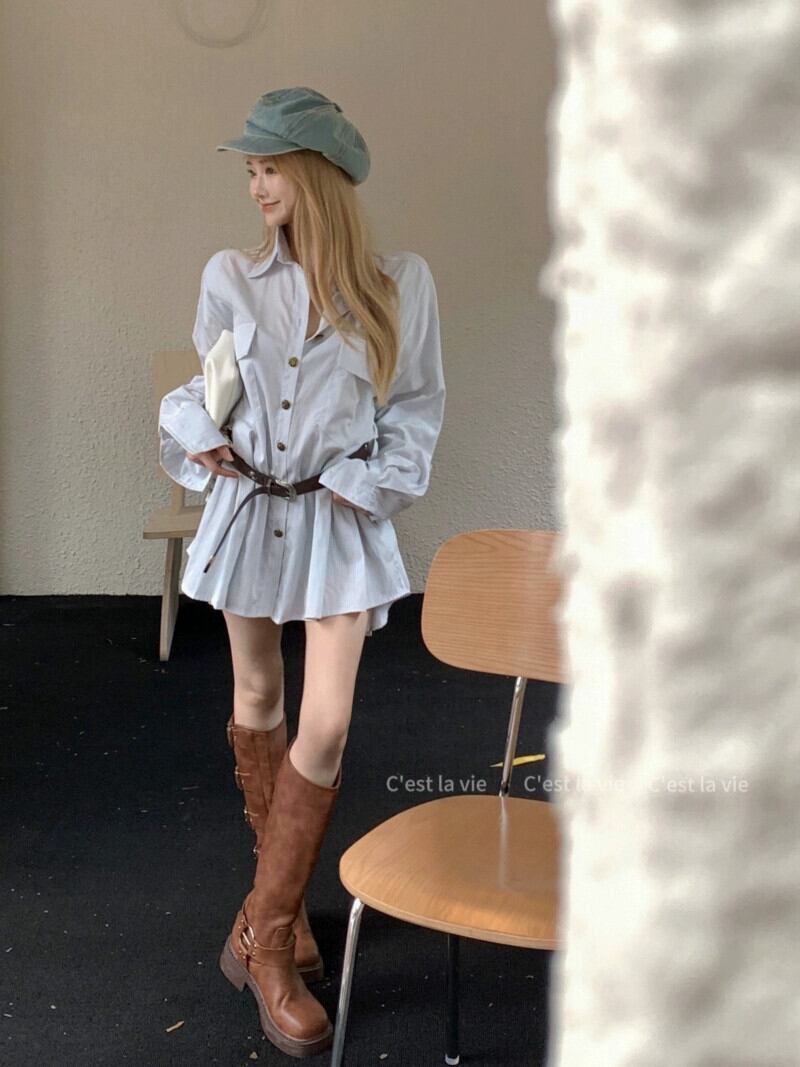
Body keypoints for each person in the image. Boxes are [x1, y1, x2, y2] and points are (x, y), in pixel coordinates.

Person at [157, 87, 446, 1057]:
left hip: (337, 517)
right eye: (249, 169)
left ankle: (262, 933)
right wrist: (196, 430)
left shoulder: (399, 283)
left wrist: (369, 483)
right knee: (257, 696)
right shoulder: (229, 276)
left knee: (324, 722)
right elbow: (205, 387)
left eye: (270, 167)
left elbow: (415, 408)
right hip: (248, 510)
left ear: (317, 174)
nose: (255, 185)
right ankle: (280, 922)